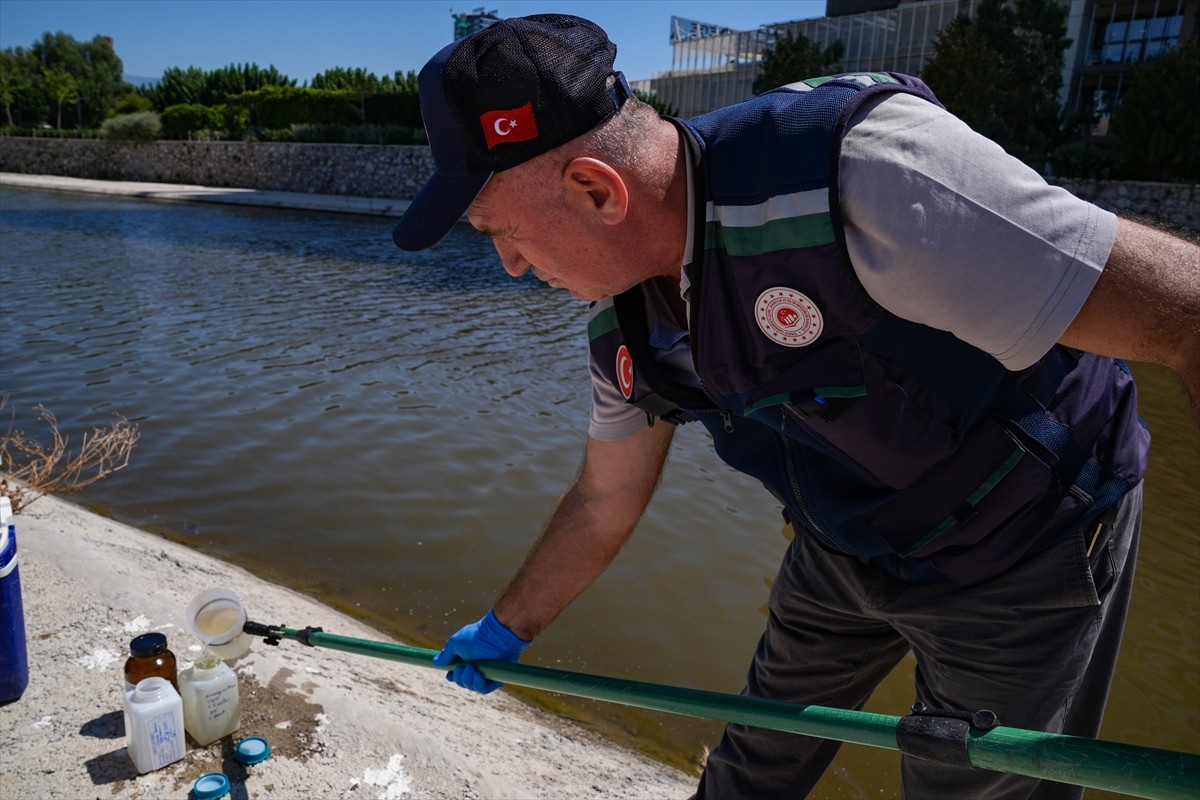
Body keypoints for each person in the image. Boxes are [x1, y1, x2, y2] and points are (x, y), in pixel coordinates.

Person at [391, 13, 1200, 799]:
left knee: (972, 781)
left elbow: (1188, 318)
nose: (509, 266)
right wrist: (509, 627)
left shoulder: (869, 176)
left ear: (596, 191)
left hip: (1021, 544)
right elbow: (605, 499)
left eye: (501, 231)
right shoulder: (622, 324)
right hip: (844, 541)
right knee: (756, 754)